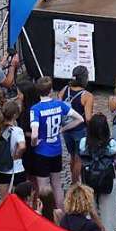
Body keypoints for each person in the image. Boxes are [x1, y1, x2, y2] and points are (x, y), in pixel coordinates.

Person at [29, 76, 81, 207]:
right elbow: (79, 119)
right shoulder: (59, 104)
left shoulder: (35, 109)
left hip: (42, 152)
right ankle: (60, 212)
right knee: (57, 185)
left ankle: (46, 214)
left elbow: (34, 134)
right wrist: (62, 129)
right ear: (50, 90)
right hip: (56, 150)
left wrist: (34, 143)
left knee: (43, 187)